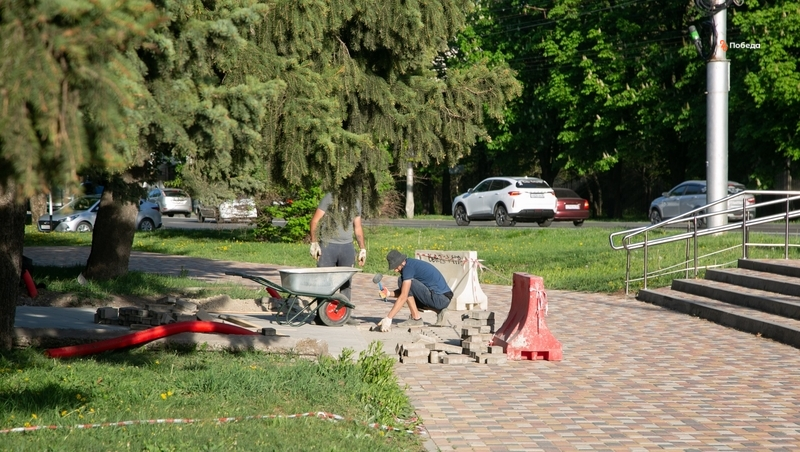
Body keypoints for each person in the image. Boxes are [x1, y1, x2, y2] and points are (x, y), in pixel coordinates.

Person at [309, 193, 366, 301]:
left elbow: (357, 227)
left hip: (347, 247)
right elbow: (314, 221)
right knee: (324, 282)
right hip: (328, 246)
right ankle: (321, 316)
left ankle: (343, 315)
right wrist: (314, 242)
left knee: (346, 284)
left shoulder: (356, 202)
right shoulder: (329, 197)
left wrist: (362, 248)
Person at [376, 250, 452, 331]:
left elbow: (404, 296)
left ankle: (416, 319)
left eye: (396, 267)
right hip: (443, 297)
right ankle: (440, 311)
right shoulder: (410, 264)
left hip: (440, 298)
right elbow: (408, 291)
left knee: (401, 281)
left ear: (402, 262)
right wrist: (388, 293)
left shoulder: (408, 269)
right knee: (406, 288)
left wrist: (389, 318)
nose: (395, 270)